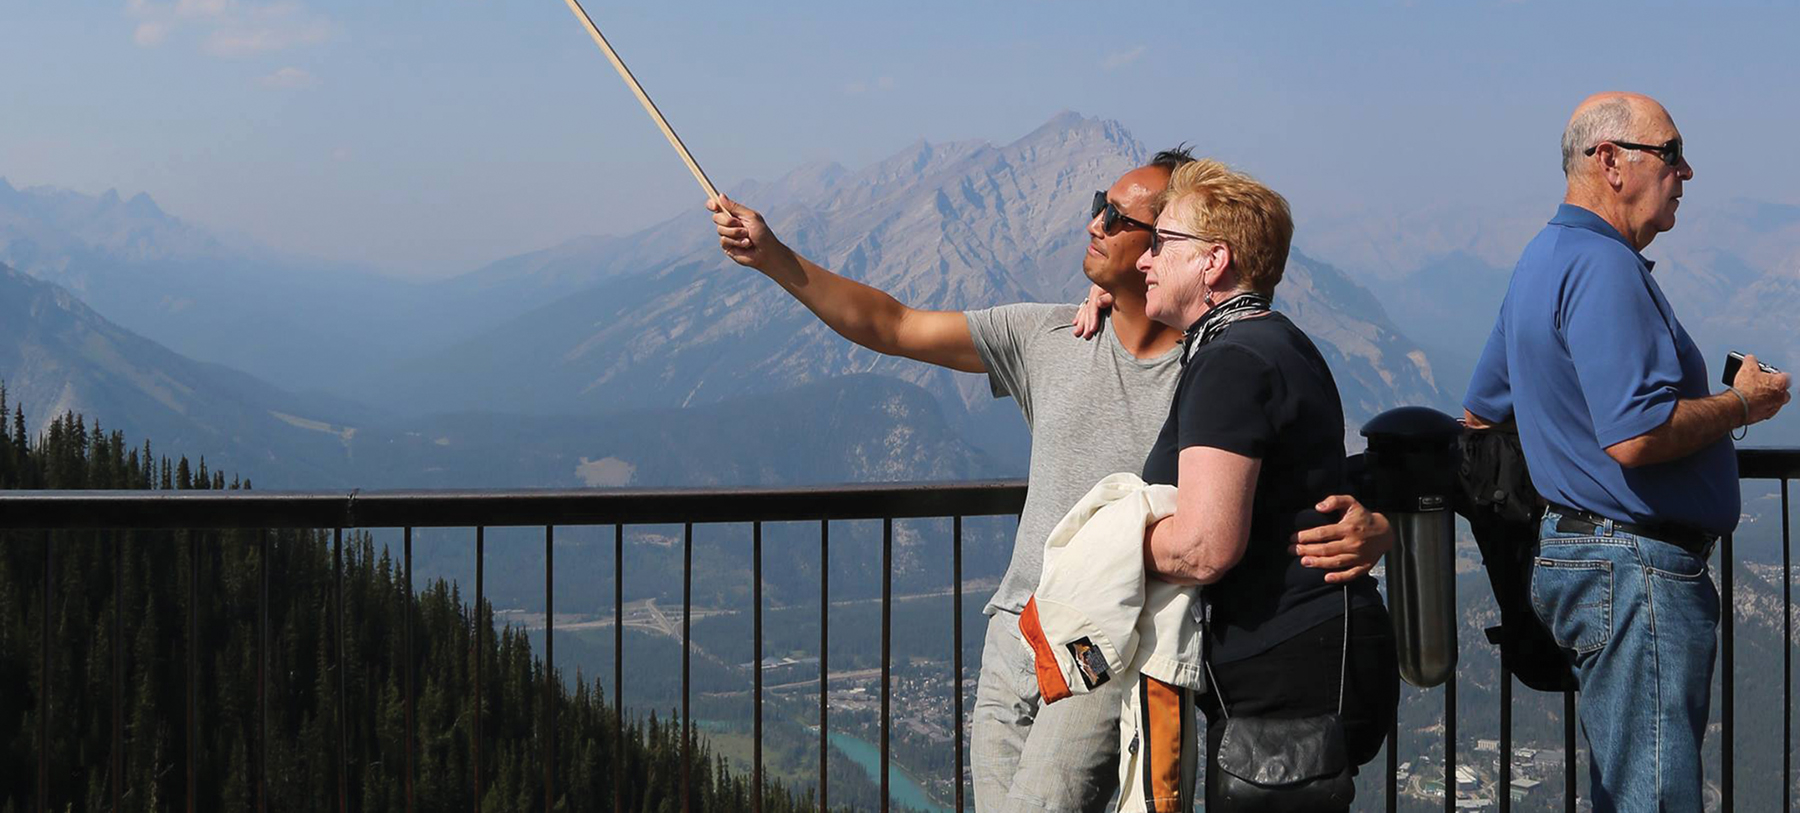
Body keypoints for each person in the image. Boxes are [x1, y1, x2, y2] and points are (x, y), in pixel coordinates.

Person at [708, 150, 1392, 813]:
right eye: (1099, 207)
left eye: (1119, 219)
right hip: (1018, 632)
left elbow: (1274, 483)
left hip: (1106, 647)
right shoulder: (1051, 336)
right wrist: (774, 258)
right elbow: (892, 324)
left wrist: (1372, 513)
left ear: (1173, 248)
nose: (1094, 223)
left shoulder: (1217, 361)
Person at [1463, 91, 1791, 811]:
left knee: (1630, 787)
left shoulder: (1540, 260)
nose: (1688, 172)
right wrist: (1744, 403)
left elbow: (1481, 411)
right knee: (1655, 795)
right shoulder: (1604, 267)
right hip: (1635, 568)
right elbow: (1636, 435)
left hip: (1586, 562)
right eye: (1671, 154)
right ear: (1609, 162)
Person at [1137, 159, 1397, 808]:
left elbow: (1204, 547)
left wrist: (1111, 547)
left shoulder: (1231, 362)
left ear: (1213, 261)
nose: (1145, 259)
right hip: (1311, 656)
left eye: (1161, 243)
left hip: (1284, 674)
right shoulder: (1272, 342)